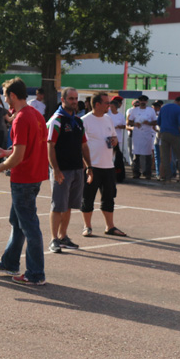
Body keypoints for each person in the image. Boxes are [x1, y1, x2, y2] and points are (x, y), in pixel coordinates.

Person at [0, 77, 49, 285]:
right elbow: (25, 148)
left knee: (29, 225)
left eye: (6, 96)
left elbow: (20, 156)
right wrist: (6, 153)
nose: (5, 100)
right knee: (18, 222)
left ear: (12, 96)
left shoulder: (21, 118)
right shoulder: (36, 115)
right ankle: (10, 261)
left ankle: (35, 273)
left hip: (24, 178)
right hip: (34, 176)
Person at [47, 87, 90, 253]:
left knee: (69, 206)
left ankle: (63, 236)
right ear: (63, 100)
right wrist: (55, 169)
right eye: (71, 98)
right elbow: (49, 146)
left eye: (76, 98)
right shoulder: (56, 120)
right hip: (62, 171)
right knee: (58, 206)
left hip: (77, 169)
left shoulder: (78, 122)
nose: (74, 101)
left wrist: (90, 167)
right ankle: (53, 239)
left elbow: (84, 145)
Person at [80, 93, 127, 237]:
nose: (109, 105)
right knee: (88, 198)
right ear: (97, 104)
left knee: (109, 198)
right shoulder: (84, 120)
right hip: (92, 166)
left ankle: (110, 226)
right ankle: (87, 226)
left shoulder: (108, 119)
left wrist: (114, 141)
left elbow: (114, 138)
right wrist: (86, 167)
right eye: (106, 103)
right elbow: (80, 146)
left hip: (108, 166)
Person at [158, 96, 180, 183]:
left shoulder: (163, 107)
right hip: (175, 134)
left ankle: (168, 178)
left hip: (164, 134)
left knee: (165, 157)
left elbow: (158, 121)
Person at [127, 95, 157, 179]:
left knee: (147, 155)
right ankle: (136, 173)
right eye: (141, 100)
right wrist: (134, 124)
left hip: (147, 135)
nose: (143, 102)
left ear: (147, 102)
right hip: (137, 135)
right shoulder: (134, 110)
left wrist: (149, 123)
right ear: (139, 101)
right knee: (136, 155)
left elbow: (155, 122)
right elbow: (129, 122)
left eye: (144, 100)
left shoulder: (151, 110)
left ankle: (147, 173)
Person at [108, 96, 127, 181]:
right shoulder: (107, 114)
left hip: (118, 137)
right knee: (109, 155)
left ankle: (116, 172)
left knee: (116, 156)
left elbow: (124, 126)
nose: (110, 108)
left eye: (112, 107)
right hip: (109, 138)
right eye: (110, 106)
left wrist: (120, 126)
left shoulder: (120, 115)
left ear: (116, 107)